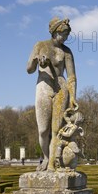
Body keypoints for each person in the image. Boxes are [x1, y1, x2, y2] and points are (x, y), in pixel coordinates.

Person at [27, 17, 78, 171]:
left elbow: (72, 77)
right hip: (44, 86)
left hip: (61, 88)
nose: (65, 37)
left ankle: (52, 164)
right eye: (64, 34)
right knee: (43, 130)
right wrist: (37, 61)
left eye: (67, 35)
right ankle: (46, 157)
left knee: (56, 129)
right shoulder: (40, 45)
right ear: (55, 32)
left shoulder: (67, 51)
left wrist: (73, 97)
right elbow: (29, 69)